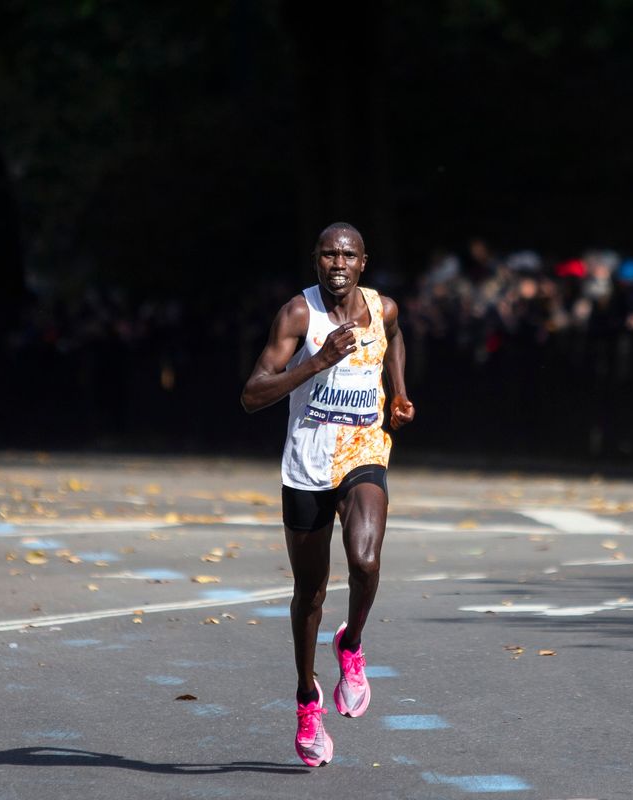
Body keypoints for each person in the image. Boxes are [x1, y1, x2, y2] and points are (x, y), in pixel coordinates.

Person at [240, 222, 415, 767]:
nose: (338, 263)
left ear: (364, 262)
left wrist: (400, 393)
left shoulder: (381, 308)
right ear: (316, 261)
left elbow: (395, 339)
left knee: (365, 561)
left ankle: (352, 644)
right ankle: (306, 699)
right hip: (308, 462)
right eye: (328, 254)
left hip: (363, 449)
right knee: (310, 593)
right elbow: (251, 395)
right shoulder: (299, 315)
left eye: (348, 254)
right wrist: (315, 363)